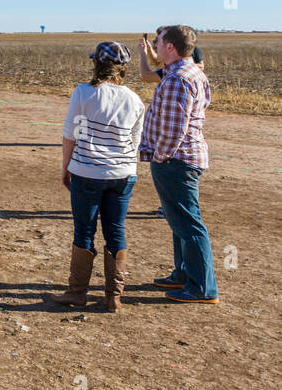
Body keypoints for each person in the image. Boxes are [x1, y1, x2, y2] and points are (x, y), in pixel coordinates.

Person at [52, 42, 145, 311]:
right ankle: (113, 296)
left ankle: (77, 292)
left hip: (88, 171)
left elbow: (71, 134)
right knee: (116, 230)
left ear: (96, 63)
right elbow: (134, 142)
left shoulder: (83, 93)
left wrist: (66, 168)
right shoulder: (135, 100)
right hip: (124, 173)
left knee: (85, 229)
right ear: (123, 68)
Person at [140, 25, 217, 304]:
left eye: (159, 42)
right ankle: (183, 274)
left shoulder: (177, 80)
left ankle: (201, 288)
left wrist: (161, 157)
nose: (155, 47)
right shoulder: (191, 72)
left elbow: (174, 130)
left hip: (176, 160)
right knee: (179, 222)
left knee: (188, 224)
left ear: (170, 47)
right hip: (184, 157)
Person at [139, 26, 204, 82]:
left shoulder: (174, 77)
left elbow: (146, 76)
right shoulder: (196, 74)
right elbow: (158, 64)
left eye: (159, 40)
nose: (155, 45)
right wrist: (149, 50)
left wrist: (143, 53)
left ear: (170, 46)